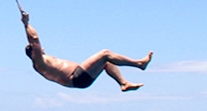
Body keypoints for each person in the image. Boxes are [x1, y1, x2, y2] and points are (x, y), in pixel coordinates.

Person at [22, 10, 152, 91]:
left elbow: (35, 42)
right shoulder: (39, 61)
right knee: (105, 53)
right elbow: (34, 38)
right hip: (76, 78)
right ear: (33, 52)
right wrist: (26, 23)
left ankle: (124, 84)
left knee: (107, 62)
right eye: (38, 48)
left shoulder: (41, 62)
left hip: (79, 80)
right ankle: (139, 64)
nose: (42, 48)